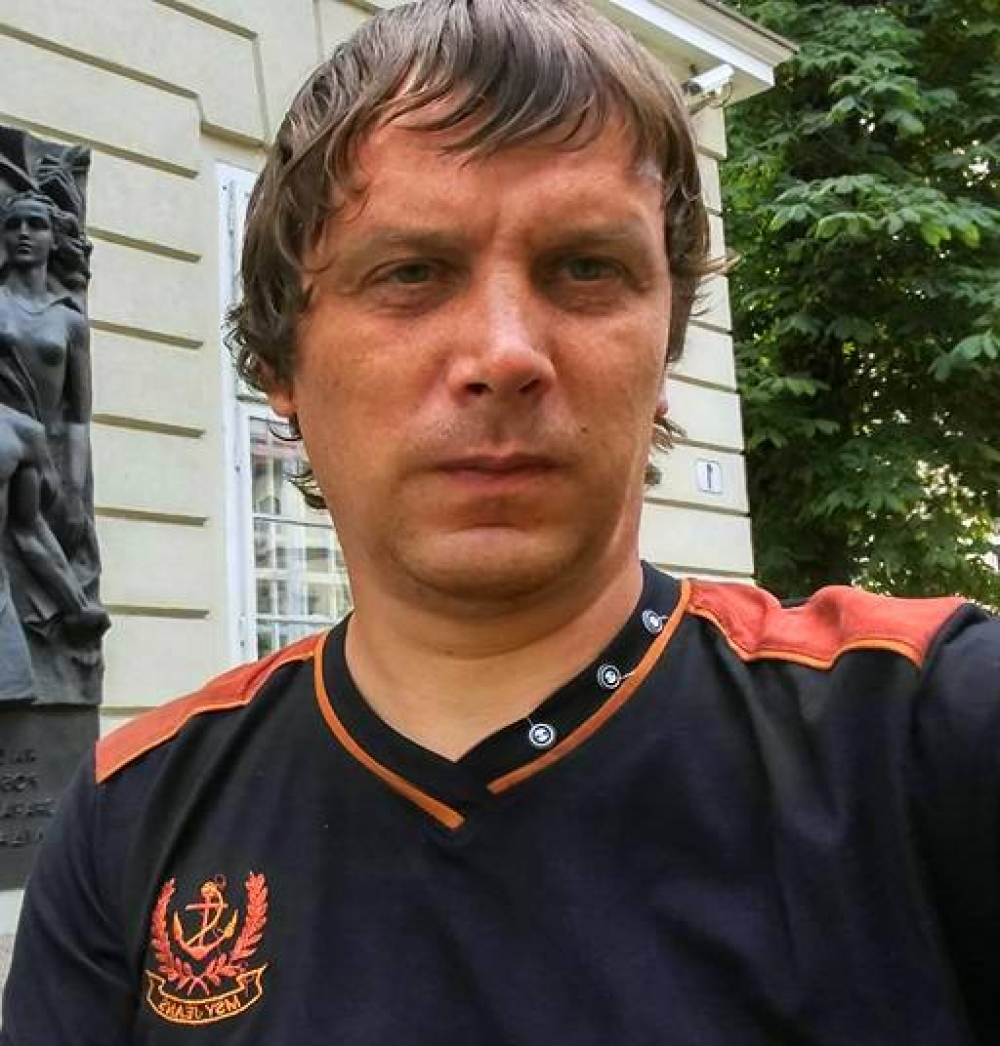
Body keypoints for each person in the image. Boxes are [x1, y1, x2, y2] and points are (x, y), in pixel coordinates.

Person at [2, 1, 998, 1042]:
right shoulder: (132, 817)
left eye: (585, 268)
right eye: (411, 273)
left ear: (663, 351)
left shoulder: (926, 737)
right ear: (279, 365)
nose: (506, 352)